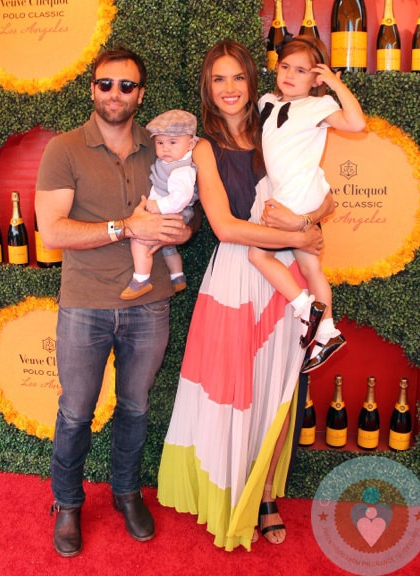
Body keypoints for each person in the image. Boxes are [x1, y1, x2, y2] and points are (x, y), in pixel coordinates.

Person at [157, 39, 334, 551]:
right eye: (219, 79)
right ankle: (234, 490)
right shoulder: (204, 147)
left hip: (286, 276)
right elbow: (226, 227)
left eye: (237, 78)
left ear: (253, 83)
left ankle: (267, 495)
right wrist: (299, 237)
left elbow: (327, 197)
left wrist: (310, 221)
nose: (230, 89)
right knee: (237, 389)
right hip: (237, 276)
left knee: (279, 387)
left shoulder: (282, 128)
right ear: (208, 89)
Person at [35, 46, 197, 558]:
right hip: (84, 304)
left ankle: (127, 493)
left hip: (148, 305)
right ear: (92, 89)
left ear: (140, 94)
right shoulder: (65, 148)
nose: (115, 94)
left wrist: (178, 228)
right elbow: (52, 230)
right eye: (106, 84)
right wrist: (127, 226)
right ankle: (67, 503)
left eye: (127, 86)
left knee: (135, 407)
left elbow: (186, 216)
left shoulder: (162, 148)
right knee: (76, 411)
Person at [249, 35, 366, 373]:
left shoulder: (320, 105)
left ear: (315, 78)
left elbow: (357, 123)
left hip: (296, 195)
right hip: (300, 193)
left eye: (301, 71)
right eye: (285, 66)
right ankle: (327, 333)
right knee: (311, 267)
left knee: (258, 254)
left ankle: (305, 308)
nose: (289, 74)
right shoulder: (266, 101)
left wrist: (333, 84)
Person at [120, 109, 198, 300]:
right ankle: (177, 276)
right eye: (160, 143)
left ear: (191, 144)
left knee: (139, 238)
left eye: (173, 142)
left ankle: (141, 279)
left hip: (171, 211)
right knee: (168, 247)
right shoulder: (169, 162)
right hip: (169, 210)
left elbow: (182, 197)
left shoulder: (181, 170)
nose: (165, 149)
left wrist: (159, 207)